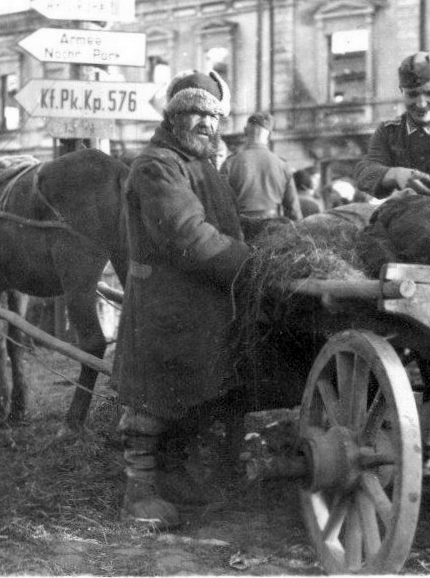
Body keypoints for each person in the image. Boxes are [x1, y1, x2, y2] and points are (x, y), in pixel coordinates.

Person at [112, 69, 250, 530]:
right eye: (194, 113)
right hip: (163, 303)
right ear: (173, 117)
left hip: (201, 298)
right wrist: (249, 266)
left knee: (195, 389)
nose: (206, 123)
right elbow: (187, 235)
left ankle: (181, 482)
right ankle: (139, 492)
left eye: (213, 115)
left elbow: (228, 228)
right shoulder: (157, 165)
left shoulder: (202, 165)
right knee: (151, 399)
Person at [354, 51, 430, 199]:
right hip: (406, 216)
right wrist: (394, 174)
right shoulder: (389, 132)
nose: (421, 104)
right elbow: (365, 172)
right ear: (402, 92)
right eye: (412, 95)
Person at [221, 112, 302, 221]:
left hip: (240, 227)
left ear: (245, 131)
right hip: (272, 227)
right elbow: (293, 209)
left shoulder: (230, 163)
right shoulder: (282, 165)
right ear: (269, 134)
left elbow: (220, 204)